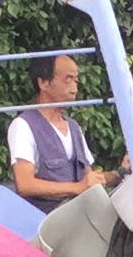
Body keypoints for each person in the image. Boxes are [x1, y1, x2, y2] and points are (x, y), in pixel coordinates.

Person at [8, 53, 112, 203]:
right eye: (68, 80)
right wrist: (77, 188)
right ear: (43, 83)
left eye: (75, 81)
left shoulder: (74, 127)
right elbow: (25, 184)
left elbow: (88, 178)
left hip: (79, 213)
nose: (74, 89)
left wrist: (120, 172)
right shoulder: (23, 125)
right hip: (46, 219)